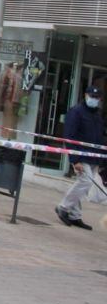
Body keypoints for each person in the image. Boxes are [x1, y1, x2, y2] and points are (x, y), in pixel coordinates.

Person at [55, 85, 106, 230]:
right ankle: (63, 207)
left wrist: (101, 159)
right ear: (85, 95)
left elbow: (99, 137)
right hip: (81, 154)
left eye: (96, 97)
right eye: (92, 96)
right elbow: (69, 136)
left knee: (83, 184)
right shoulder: (76, 112)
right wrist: (74, 160)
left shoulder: (97, 114)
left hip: (94, 156)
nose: (94, 99)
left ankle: (74, 215)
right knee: (85, 182)